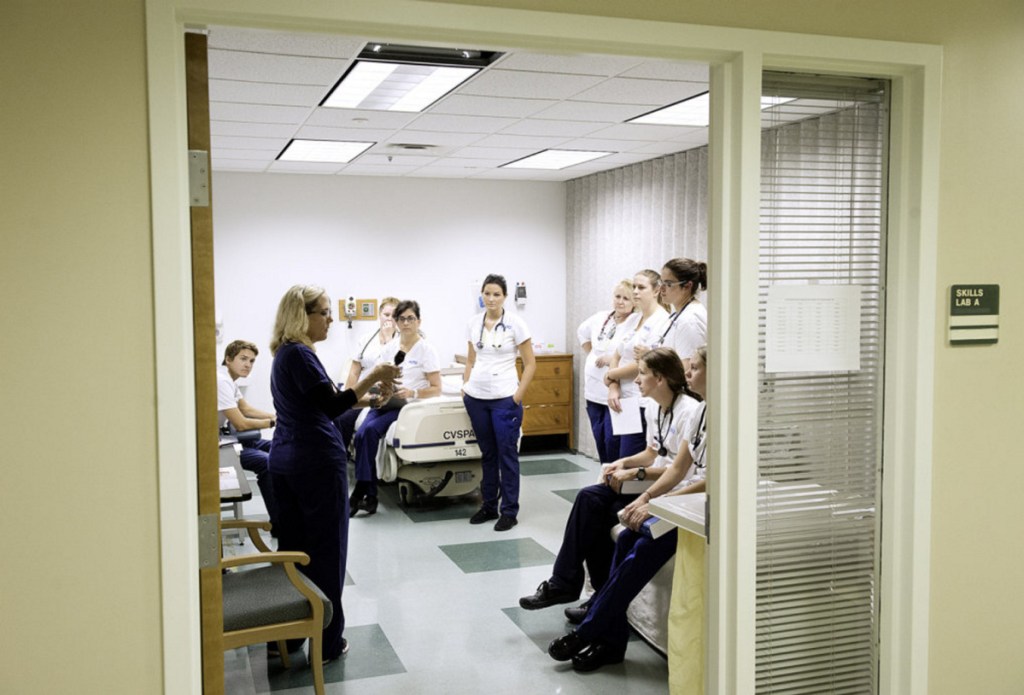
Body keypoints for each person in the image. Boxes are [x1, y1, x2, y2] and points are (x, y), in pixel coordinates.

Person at [547, 346, 709, 672]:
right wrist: (645, 498)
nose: (688, 374)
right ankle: (612, 643)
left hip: (698, 505)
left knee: (644, 545)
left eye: (695, 368)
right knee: (622, 537)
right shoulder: (704, 411)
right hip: (679, 498)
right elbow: (677, 469)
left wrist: (656, 500)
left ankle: (590, 630)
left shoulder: (705, 412)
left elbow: (711, 482)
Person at [267, 285, 400, 662]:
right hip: (315, 465)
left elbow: (325, 401)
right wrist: (373, 374)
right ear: (302, 316)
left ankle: (287, 636)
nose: (330, 319)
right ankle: (325, 644)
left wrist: (370, 398)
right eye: (324, 312)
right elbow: (329, 407)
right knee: (325, 554)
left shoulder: (286, 356)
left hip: (286, 462)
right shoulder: (300, 356)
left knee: (292, 553)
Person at [350, 299, 442, 516]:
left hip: (406, 407)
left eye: (411, 318)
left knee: (370, 431)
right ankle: (369, 495)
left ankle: (363, 493)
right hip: (386, 400)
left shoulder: (426, 350)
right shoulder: (390, 347)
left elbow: (437, 388)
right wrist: (383, 387)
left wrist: (413, 392)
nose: (406, 323)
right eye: (402, 318)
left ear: (419, 321)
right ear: (396, 322)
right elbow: (378, 375)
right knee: (362, 434)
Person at [462, 274, 536, 531]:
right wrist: (466, 388)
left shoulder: (516, 324)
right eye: (487, 293)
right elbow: (471, 360)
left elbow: (530, 364)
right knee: (488, 455)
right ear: (481, 295)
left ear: (504, 297)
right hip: (477, 398)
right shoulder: (474, 323)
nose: (491, 298)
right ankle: (488, 505)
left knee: (507, 455)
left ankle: (509, 511)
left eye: (496, 294)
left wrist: (517, 396)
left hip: (505, 398)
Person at [602, 269, 670, 457]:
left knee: (629, 458)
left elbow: (643, 364)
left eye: (641, 287)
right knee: (612, 454)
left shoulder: (662, 321)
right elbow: (617, 353)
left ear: (656, 291)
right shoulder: (634, 318)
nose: (635, 292)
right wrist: (613, 386)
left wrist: (610, 375)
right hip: (621, 398)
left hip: (641, 400)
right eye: (634, 287)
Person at [217, 339, 280, 530]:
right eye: (243, 359)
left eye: (251, 361)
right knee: (267, 463)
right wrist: (272, 422)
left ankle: (290, 511)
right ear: (228, 359)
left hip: (226, 438)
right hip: (216, 445)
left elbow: (246, 408)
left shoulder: (228, 380)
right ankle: (280, 524)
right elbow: (241, 423)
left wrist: (277, 416)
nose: (248, 365)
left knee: (278, 447)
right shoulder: (221, 382)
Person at [577, 279, 636, 463]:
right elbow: (582, 332)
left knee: (616, 444)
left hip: (622, 393)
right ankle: (605, 484)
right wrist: (592, 355)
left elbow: (636, 354)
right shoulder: (601, 317)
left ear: (635, 301)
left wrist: (612, 360)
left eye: (626, 298)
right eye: (617, 296)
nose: (620, 301)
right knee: (601, 440)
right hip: (594, 391)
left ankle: (618, 486)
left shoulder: (637, 322)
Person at [335, 296, 399, 449]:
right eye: (386, 315)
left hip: (385, 394)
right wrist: (348, 397)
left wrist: (389, 337)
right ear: (379, 315)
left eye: (394, 316)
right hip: (363, 391)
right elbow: (354, 371)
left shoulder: (403, 342)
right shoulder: (366, 340)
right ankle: (340, 457)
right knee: (341, 417)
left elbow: (393, 365)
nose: (389, 319)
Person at [655, 257, 708, 369]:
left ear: (687, 286)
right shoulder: (679, 314)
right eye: (661, 282)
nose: (661, 289)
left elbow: (688, 369)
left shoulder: (690, 320)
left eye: (668, 284)